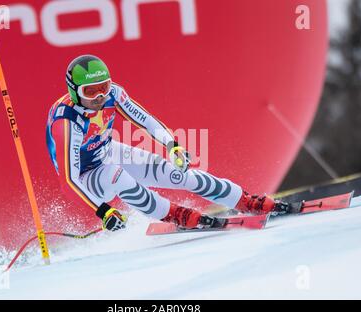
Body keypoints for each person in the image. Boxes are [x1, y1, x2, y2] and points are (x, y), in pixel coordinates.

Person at [46, 55, 286, 232]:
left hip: (106, 151)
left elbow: (146, 121)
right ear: (75, 92)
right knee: (116, 175)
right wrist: (103, 211)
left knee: (176, 173)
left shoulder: (114, 96)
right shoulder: (66, 123)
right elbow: (69, 180)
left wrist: (173, 146)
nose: (99, 97)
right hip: (86, 176)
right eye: (91, 92)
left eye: (104, 87)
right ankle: (175, 214)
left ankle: (244, 200)